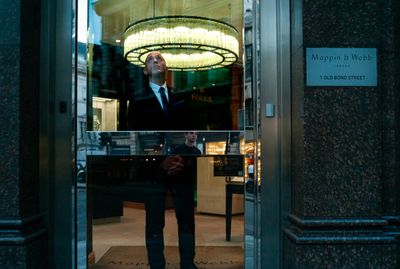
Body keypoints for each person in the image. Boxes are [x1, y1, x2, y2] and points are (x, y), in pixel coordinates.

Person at [144, 132, 201, 269]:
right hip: (161, 182)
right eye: (191, 133)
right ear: (186, 135)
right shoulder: (177, 150)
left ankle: (185, 263)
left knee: (184, 223)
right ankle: (161, 264)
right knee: (156, 223)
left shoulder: (193, 151)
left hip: (176, 184)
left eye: (195, 133)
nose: (194, 136)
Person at [127, 51, 182, 130]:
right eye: (150, 60)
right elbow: (132, 129)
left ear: (166, 69)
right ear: (145, 70)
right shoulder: (137, 98)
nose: (155, 61)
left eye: (159, 58)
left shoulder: (179, 95)